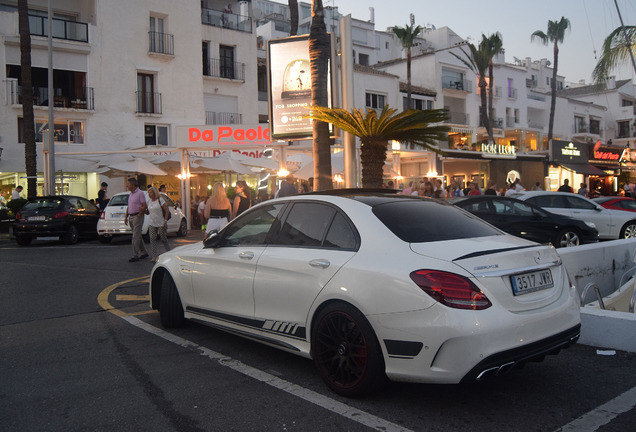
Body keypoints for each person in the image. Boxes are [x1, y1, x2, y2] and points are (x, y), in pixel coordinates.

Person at [124, 178, 148, 262]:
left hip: (137, 216)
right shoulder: (130, 194)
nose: (127, 186)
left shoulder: (140, 193)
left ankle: (135, 255)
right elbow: (129, 206)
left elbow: (144, 205)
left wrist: (140, 214)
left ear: (133, 185)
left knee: (135, 236)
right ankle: (144, 252)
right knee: (137, 235)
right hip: (131, 216)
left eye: (128, 184)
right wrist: (126, 216)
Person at [147, 186, 170, 262]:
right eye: (148, 193)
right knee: (152, 238)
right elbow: (148, 212)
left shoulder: (160, 200)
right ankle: (154, 256)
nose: (149, 194)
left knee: (163, 238)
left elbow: (166, 211)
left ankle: (169, 252)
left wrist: (165, 221)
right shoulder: (149, 201)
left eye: (151, 192)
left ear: (154, 193)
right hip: (152, 222)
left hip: (161, 222)